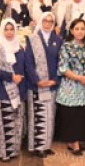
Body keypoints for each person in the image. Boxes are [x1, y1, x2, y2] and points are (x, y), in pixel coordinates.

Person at [0, 19, 26, 162]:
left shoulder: (20, 49)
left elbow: (24, 68)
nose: (9, 32)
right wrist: (11, 77)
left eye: (11, 29)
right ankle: (3, 152)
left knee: (15, 122)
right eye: (6, 29)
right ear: (2, 31)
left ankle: (13, 150)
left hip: (18, 90)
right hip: (1, 90)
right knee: (3, 122)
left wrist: (19, 81)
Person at [24, 12, 62, 158]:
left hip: (51, 85)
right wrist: (37, 80)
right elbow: (28, 63)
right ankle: (37, 146)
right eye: (45, 21)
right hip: (36, 85)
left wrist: (55, 80)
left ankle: (46, 145)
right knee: (37, 115)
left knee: (49, 115)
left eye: (50, 21)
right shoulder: (32, 39)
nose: (47, 24)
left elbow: (61, 61)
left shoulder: (57, 40)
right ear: (41, 21)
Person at [54, 18, 85, 155]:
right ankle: (73, 142)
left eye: (82, 29)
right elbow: (63, 68)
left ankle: (78, 139)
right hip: (70, 86)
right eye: (77, 29)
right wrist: (79, 78)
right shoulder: (66, 46)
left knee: (82, 114)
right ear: (71, 31)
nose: (80, 31)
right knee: (71, 114)